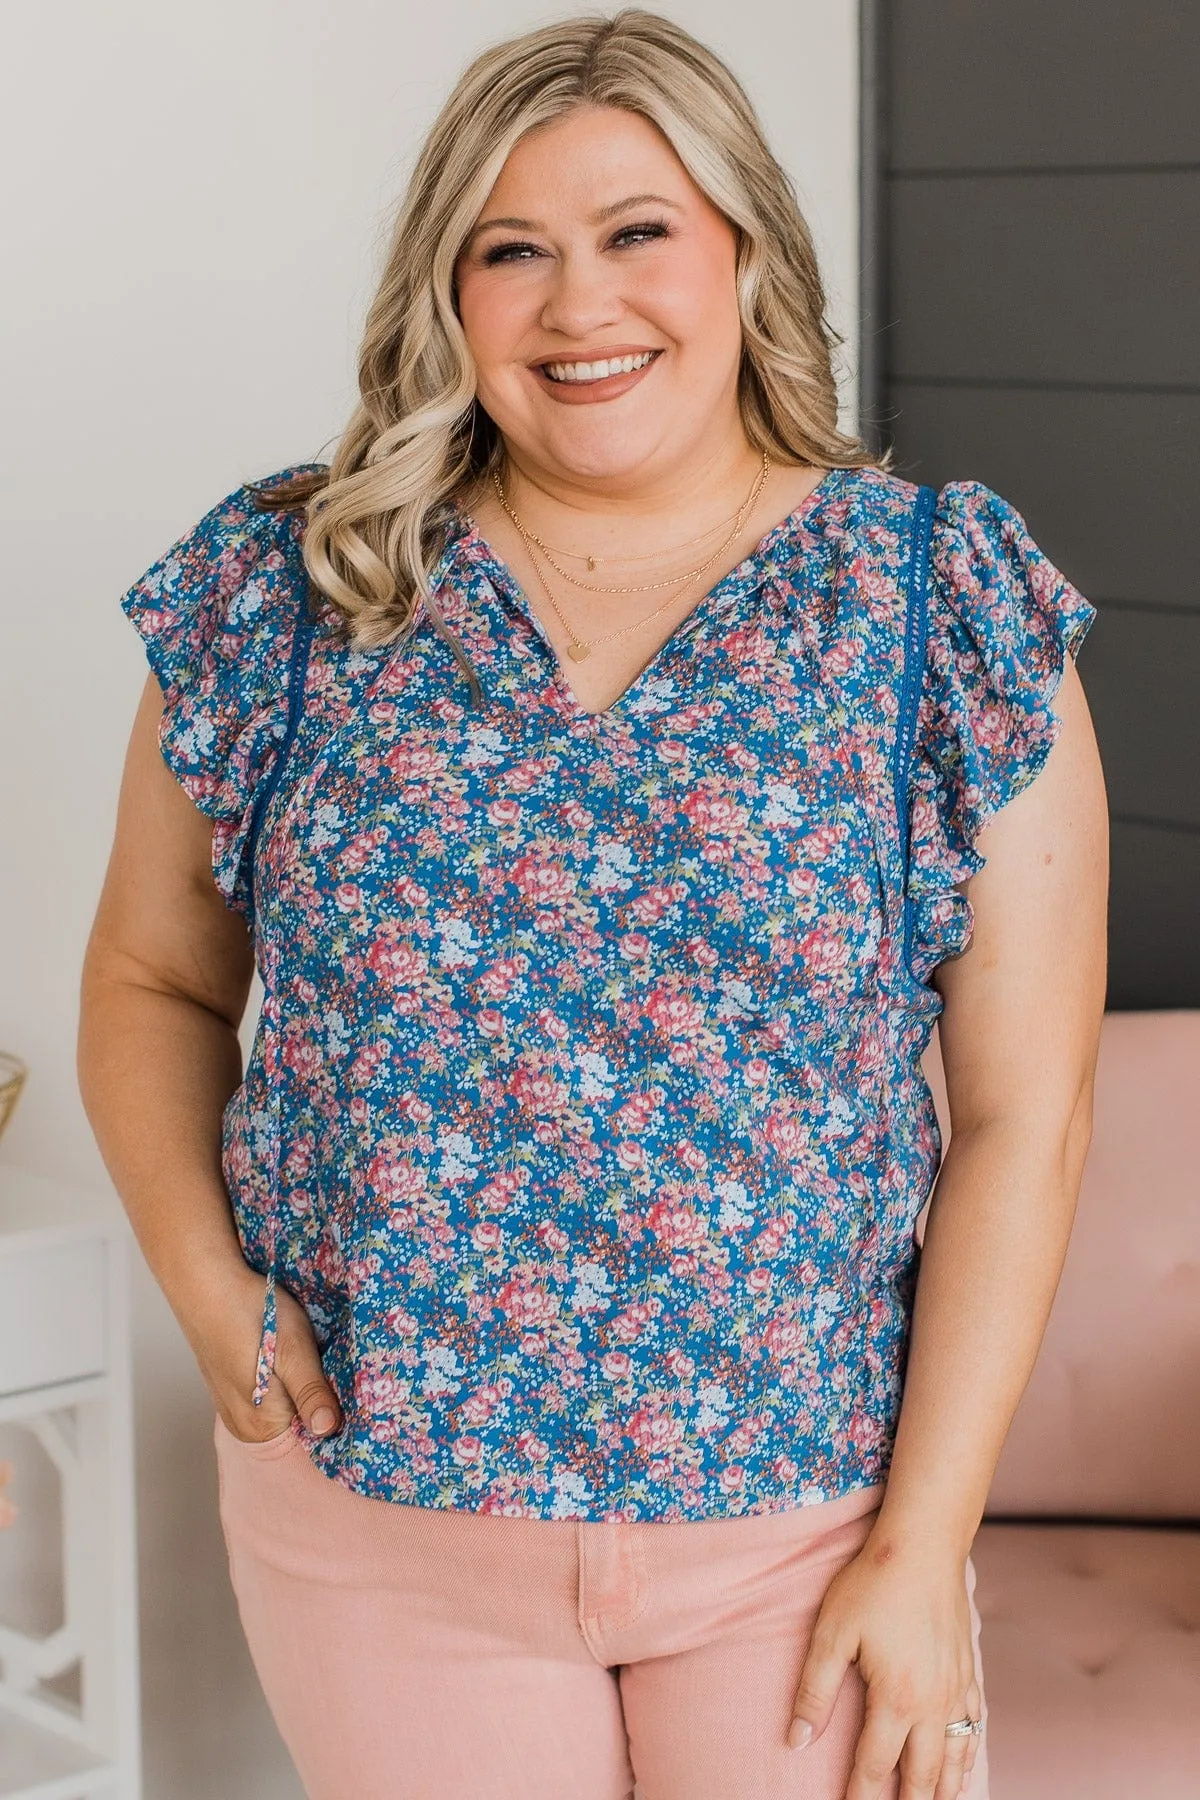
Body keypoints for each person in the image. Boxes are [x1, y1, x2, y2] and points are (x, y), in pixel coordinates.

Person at [77, 10, 1108, 1799]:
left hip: (804, 1526)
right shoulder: (294, 585)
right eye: (512, 250)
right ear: (447, 292)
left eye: (639, 231)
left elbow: (1029, 1114)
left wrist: (927, 1543)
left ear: (744, 251)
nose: (580, 306)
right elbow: (154, 975)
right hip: (378, 1524)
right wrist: (211, 1297)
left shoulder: (939, 602)